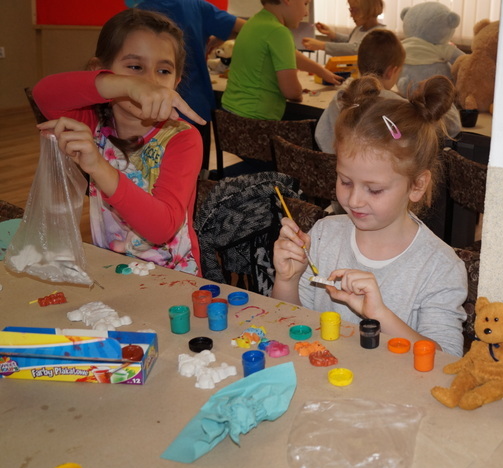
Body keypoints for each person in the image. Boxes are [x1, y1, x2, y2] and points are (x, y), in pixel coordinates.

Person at [272, 75, 468, 356]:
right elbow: (288, 326)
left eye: (374, 190)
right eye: (345, 181)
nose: (353, 200)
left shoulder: (440, 267)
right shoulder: (324, 235)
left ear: (417, 186)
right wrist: (287, 280)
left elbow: (447, 363)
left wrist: (379, 314)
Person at [33, 9, 204, 275]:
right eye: (135, 67)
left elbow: (162, 228)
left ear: (176, 82)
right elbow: (44, 93)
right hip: (112, 271)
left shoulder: (183, 138)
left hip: (174, 281)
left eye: (163, 71)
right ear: (102, 73)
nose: (150, 82)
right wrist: (127, 86)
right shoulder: (94, 123)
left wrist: (98, 166)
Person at [124, 0, 245, 170]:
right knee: (194, 172)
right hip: (195, 105)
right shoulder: (197, 6)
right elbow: (245, 27)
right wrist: (221, 36)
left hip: (150, 107)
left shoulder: (139, 12)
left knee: (146, 171)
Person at [314, 29, 461, 154]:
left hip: (336, 172)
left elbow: (320, 136)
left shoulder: (341, 98)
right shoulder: (397, 107)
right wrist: (430, 94)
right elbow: (453, 127)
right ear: (392, 72)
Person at [222, 0, 341, 122]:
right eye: (305, 4)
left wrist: (322, 71)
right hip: (255, 117)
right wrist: (297, 93)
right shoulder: (279, 31)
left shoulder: (253, 23)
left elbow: (290, 55)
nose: (306, 13)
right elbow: (291, 91)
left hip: (229, 111)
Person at [302, 0, 384, 57]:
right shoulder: (359, 28)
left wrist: (322, 45)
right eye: (350, 10)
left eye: (354, 10)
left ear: (368, 10)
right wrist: (332, 34)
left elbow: (355, 49)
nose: (351, 15)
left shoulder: (379, 34)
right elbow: (350, 41)